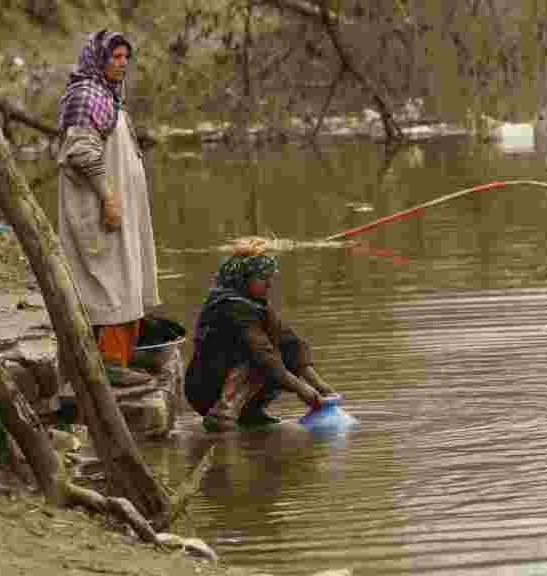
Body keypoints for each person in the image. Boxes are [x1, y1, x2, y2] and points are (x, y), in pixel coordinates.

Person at [56, 30, 160, 371]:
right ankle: (109, 368)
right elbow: (81, 152)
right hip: (99, 209)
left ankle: (117, 364)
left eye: (126, 57)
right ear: (99, 58)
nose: (123, 63)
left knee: (125, 284)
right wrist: (108, 197)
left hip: (117, 209)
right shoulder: (86, 95)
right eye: (116, 57)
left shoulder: (110, 96)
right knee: (109, 286)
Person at [185, 239, 337, 431]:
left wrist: (322, 387)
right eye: (263, 278)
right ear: (244, 277)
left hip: (227, 377)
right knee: (262, 360)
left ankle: (250, 413)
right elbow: (264, 355)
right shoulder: (229, 306)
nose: (269, 284)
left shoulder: (253, 303)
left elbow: (290, 343)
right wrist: (305, 392)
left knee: (283, 350)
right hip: (206, 388)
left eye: (270, 277)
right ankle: (222, 414)